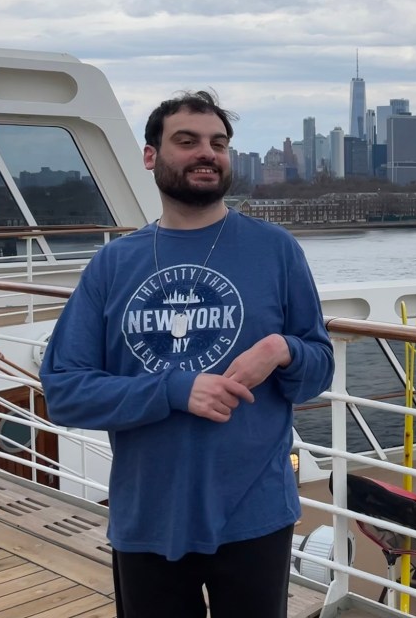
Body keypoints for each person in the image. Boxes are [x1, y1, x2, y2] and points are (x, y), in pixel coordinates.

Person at [40, 90, 334, 618]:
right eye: (187, 141)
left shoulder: (275, 250)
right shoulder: (113, 265)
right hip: (147, 518)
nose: (207, 152)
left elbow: (318, 369)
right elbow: (63, 391)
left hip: (255, 514)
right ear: (151, 155)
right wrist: (176, 390)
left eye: (218, 143)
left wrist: (282, 350)